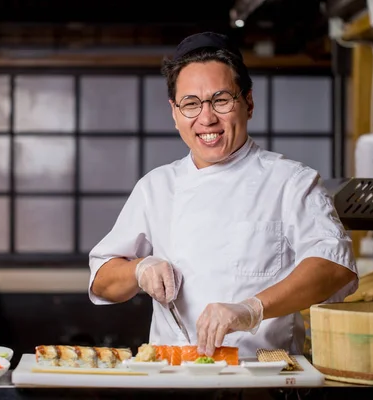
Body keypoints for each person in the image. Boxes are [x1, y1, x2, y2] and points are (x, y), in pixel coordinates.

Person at [87, 31, 358, 357]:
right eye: (190, 104)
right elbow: (102, 280)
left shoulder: (291, 181)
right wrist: (139, 269)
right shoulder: (156, 187)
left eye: (221, 100)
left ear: (248, 102)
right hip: (172, 379)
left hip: (263, 380)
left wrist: (251, 309)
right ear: (175, 114)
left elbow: (333, 266)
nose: (206, 118)